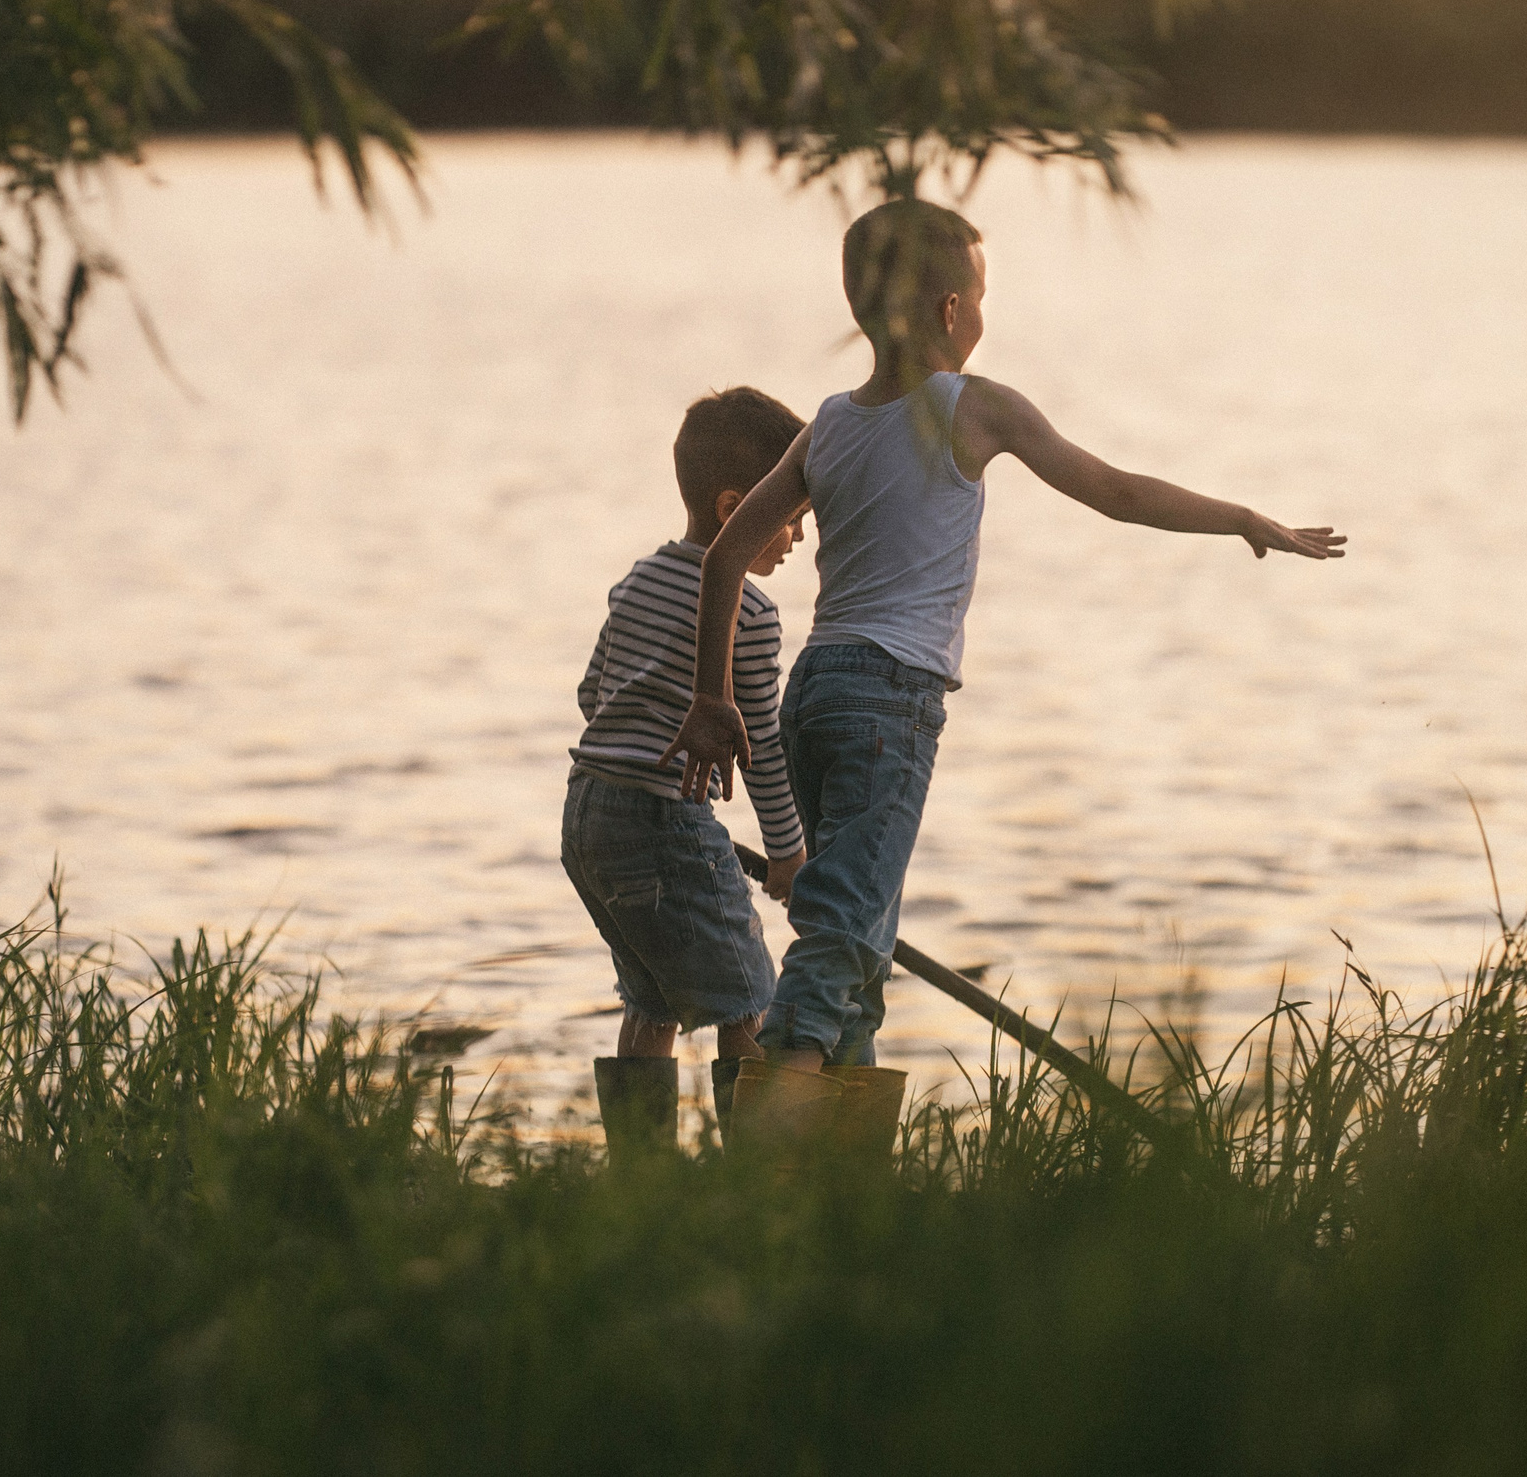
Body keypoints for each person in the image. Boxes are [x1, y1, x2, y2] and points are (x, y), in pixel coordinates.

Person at [658, 198, 1347, 1142]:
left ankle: (837, 1188)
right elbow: (1113, 490)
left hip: (813, 691)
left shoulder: (825, 425)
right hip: (890, 701)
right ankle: (769, 1138)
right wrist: (1241, 517)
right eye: (980, 297)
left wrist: (710, 695)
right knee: (844, 931)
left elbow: (728, 551)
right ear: (949, 310)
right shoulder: (969, 406)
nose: (984, 318)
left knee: (859, 938)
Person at [563, 386, 814, 1154]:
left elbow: (589, 694)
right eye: (790, 510)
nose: (799, 533)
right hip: (662, 823)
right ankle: (760, 1183)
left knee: (652, 1001)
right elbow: (761, 741)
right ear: (737, 506)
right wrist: (788, 852)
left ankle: (641, 1187)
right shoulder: (754, 614)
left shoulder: (636, 580)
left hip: (586, 817)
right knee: (751, 998)